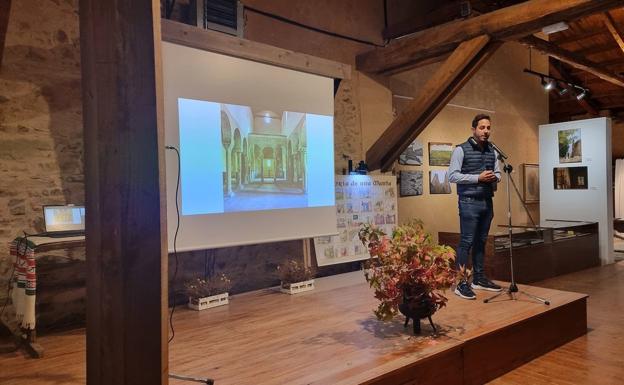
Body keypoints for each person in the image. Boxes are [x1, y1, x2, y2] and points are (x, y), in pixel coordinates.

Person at [448, 114, 503, 300]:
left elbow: (498, 173)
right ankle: (461, 283)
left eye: (488, 127)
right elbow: (452, 176)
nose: (486, 131)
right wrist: (477, 178)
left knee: (481, 241)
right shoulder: (460, 150)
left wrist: (496, 176)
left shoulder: (493, 150)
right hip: (468, 202)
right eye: (482, 127)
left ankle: (478, 279)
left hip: (487, 201)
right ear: (473, 129)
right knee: (466, 242)